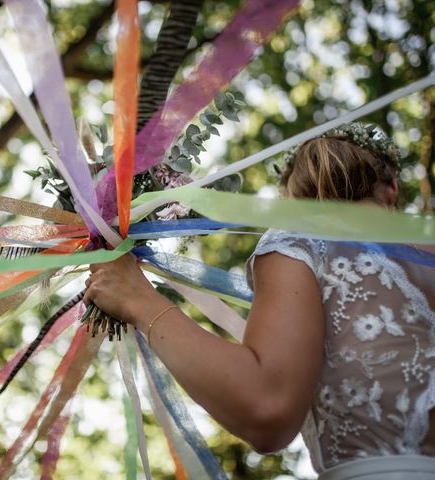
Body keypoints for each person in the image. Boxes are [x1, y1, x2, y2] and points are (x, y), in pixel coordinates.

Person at [83, 123, 435, 479]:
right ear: (391, 191)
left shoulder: (301, 239)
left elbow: (267, 407)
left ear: (292, 197)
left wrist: (139, 298)